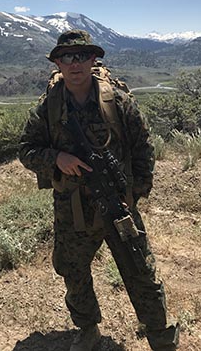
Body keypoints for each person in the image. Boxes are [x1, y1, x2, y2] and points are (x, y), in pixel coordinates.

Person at [18, 30, 179, 351]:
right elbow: (26, 149)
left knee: (141, 274)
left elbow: (143, 149)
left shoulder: (117, 101)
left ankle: (162, 339)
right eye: (67, 57)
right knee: (73, 271)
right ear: (58, 63)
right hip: (72, 208)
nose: (75, 64)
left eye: (82, 56)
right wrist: (56, 158)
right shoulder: (48, 107)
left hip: (118, 206)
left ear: (94, 59)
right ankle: (88, 329)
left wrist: (135, 195)